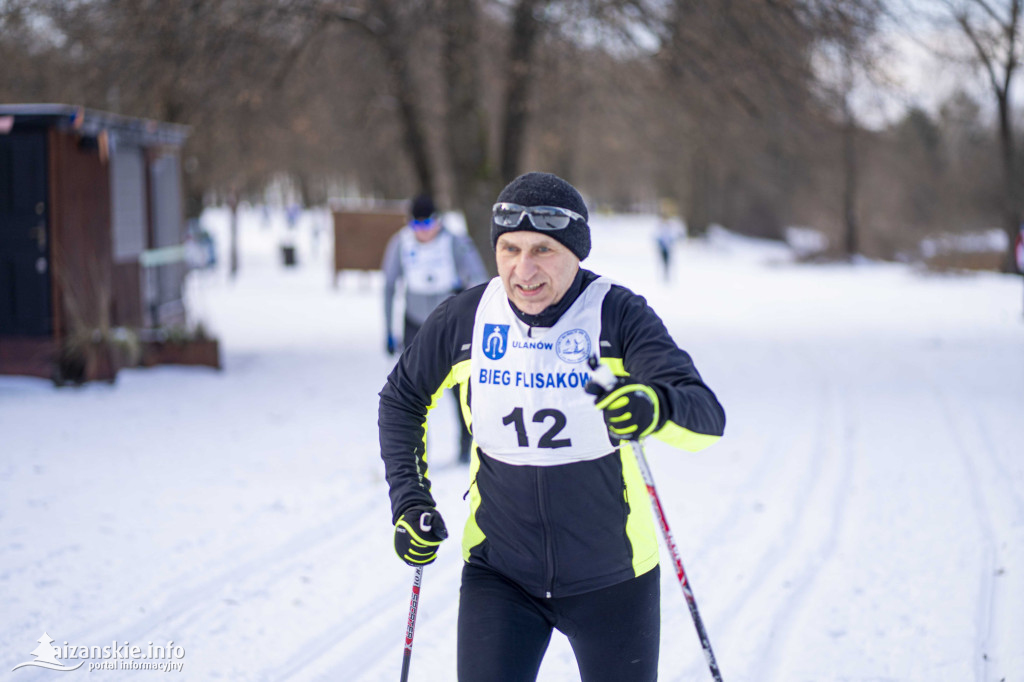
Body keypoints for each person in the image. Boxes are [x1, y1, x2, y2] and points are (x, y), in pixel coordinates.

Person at [379, 172, 725, 681]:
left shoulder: (616, 314)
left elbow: (705, 417)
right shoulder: (468, 318)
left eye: (543, 249)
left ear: (577, 251)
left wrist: (654, 406)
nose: (524, 269)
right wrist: (409, 501)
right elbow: (402, 399)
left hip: (613, 577)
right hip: (501, 575)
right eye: (510, 248)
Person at [382, 194, 487, 464]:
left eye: (428, 223)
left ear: (438, 221)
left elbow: (478, 281)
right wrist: (388, 330)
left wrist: (471, 317)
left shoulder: (455, 243)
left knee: (460, 390)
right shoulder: (400, 244)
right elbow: (389, 286)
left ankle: (467, 445)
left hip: (449, 326)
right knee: (413, 392)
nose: (424, 231)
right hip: (414, 324)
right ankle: (415, 451)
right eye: (417, 225)